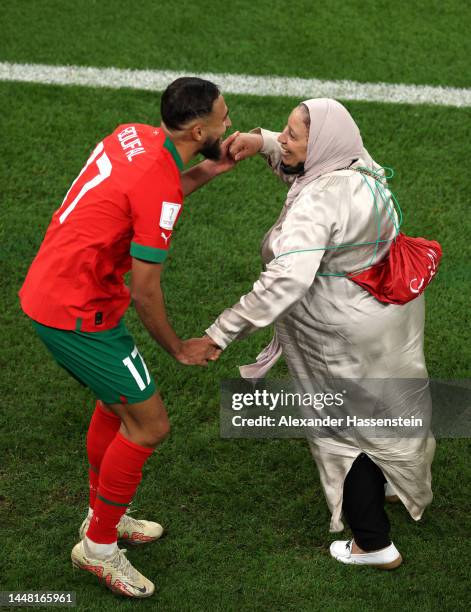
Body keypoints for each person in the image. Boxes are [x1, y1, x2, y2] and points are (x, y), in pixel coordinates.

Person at [19, 77, 237, 598]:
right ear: (200, 128)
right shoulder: (156, 182)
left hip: (59, 289)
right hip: (76, 313)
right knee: (150, 425)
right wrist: (179, 346)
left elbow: (151, 193)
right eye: (224, 119)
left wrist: (212, 167)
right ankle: (97, 547)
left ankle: (105, 518)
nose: (229, 125)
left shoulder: (132, 136)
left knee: (119, 407)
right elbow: (145, 290)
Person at [205, 98, 435, 569]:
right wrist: (265, 142)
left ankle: (373, 545)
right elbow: (306, 163)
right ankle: (398, 480)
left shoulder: (317, 201)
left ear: (322, 144)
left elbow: (286, 281)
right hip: (390, 314)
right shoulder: (359, 161)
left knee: (344, 432)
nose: (284, 140)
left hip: (340, 329)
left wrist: (221, 332)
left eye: (292, 134)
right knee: (394, 403)